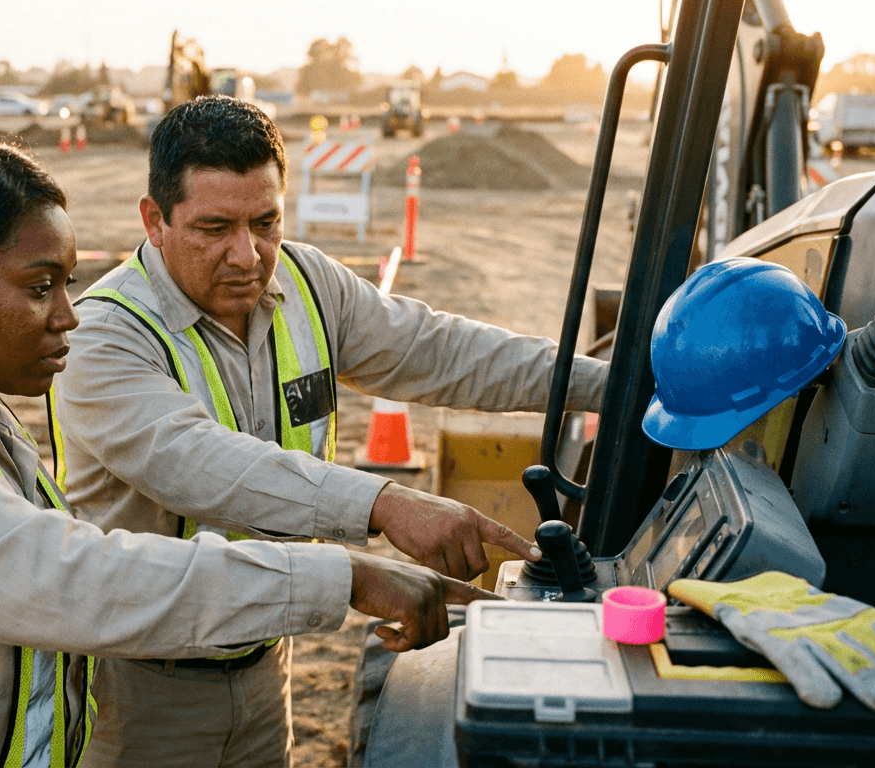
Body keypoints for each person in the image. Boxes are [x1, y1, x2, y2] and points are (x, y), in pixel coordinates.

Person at [0, 133, 493, 768]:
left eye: (66, 283)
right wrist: (345, 572)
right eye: (40, 287)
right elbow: (83, 580)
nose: (70, 315)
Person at [53, 95, 611, 767]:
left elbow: (438, 351)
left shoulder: (306, 282)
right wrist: (384, 503)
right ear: (154, 220)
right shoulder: (103, 337)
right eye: (213, 227)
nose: (246, 254)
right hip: (139, 692)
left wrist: (611, 384)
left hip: (264, 669)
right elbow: (204, 466)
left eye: (266, 222)